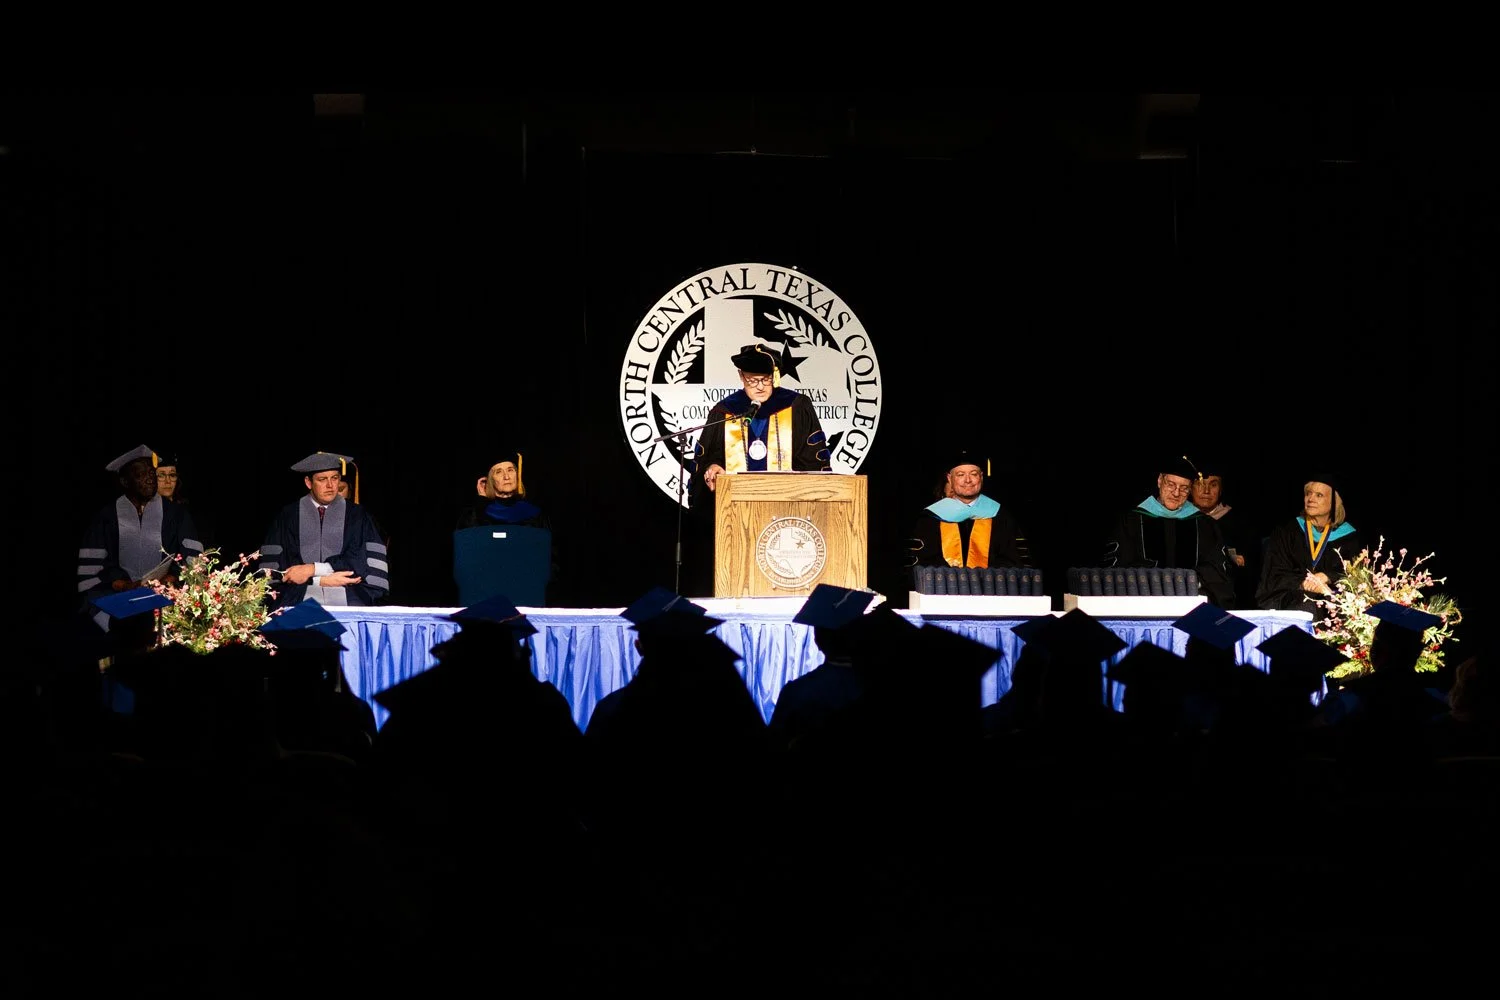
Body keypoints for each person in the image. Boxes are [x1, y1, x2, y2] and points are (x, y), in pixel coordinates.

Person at [692, 342, 831, 499]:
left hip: (789, 502)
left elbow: (813, 460)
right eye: (752, 380)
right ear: (741, 376)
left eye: (766, 379)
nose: (760, 386)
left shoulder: (796, 407)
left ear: (775, 376)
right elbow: (711, 457)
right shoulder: (724, 411)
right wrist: (713, 467)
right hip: (735, 506)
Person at [258, 452, 390, 609]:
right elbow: (279, 572)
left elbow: (362, 561)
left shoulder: (358, 516)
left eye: (335, 478)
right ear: (308, 482)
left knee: (351, 625)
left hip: (349, 596)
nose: (330, 485)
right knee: (296, 623)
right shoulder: (287, 517)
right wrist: (320, 580)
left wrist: (312, 569)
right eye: (322, 479)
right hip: (298, 598)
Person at [77, 445, 204, 604]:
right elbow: (91, 571)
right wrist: (123, 585)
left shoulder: (177, 514)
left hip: (167, 600)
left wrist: (169, 579)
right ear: (125, 481)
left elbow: (193, 560)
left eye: (152, 472)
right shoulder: (106, 517)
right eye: (141, 474)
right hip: (116, 602)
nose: (150, 478)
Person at [1104, 455, 1235, 607]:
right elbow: (1118, 568)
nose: (1176, 493)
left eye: (1184, 488)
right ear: (1160, 481)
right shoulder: (1131, 521)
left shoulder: (1205, 525)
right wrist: (1155, 580)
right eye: (1171, 484)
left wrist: (1188, 581)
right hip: (1142, 604)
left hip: (1192, 606)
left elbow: (1216, 570)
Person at [907, 447, 1030, 572]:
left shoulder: (999, 515)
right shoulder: (931, 517)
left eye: (973, 474)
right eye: (960, 475)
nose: (968, 480)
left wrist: (982, 578)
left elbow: (1011, 559)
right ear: (950, 479)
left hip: (989, 587)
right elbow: (925, 560)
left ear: (981, 477)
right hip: (942, 587)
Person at [1255, 475, 1362, 616]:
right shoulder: (1287, 532)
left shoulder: (1349, 537)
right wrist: (1304, 583)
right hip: (1292, 598)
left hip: (1332, 598)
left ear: (1334, 502)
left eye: (1319, 495)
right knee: (1307, 606)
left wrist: (1327, 576)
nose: (1310, 499)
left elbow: (1355, 575)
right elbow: (1274, 573)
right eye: (1308, 494)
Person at [456, 448, 549, 530]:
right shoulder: (475, 514)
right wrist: (482, 502)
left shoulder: (533, 513)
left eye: (510, 470)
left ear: (518, 475)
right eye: (499, 472)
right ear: (490, 480)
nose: (506, 477)